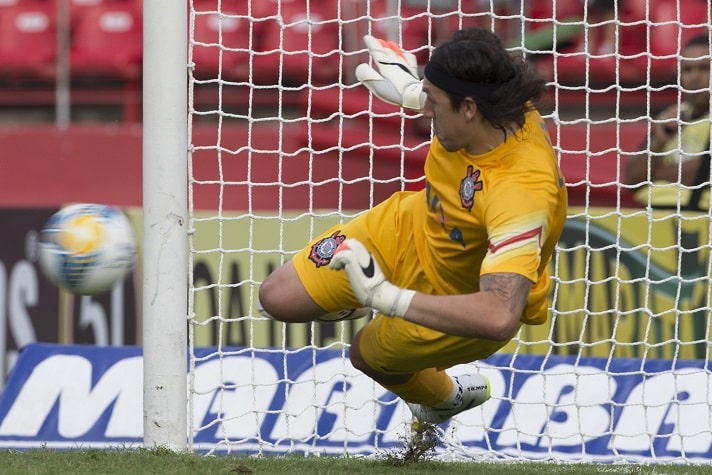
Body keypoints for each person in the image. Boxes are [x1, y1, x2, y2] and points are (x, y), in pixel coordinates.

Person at [258, 27, 568, 424]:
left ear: (469, 109)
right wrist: (411, 90)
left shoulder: (521, 190)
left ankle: (446, 398)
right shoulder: (495, 106)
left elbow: (497, 315)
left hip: (460, 298)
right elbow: (468, 82)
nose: (427, 111)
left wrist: (388, 298)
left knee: (364, 355)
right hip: (414, 225)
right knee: (278, 296)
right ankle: (356, 295)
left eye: (434, 102)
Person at [624, 35, 711, 211]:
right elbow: (632, 179)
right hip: (660, 216)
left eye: (704, 68)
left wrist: (653, 174)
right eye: (688, 70)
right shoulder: (673, 116)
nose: (695, 77)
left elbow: (701, 173)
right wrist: (658, 142)